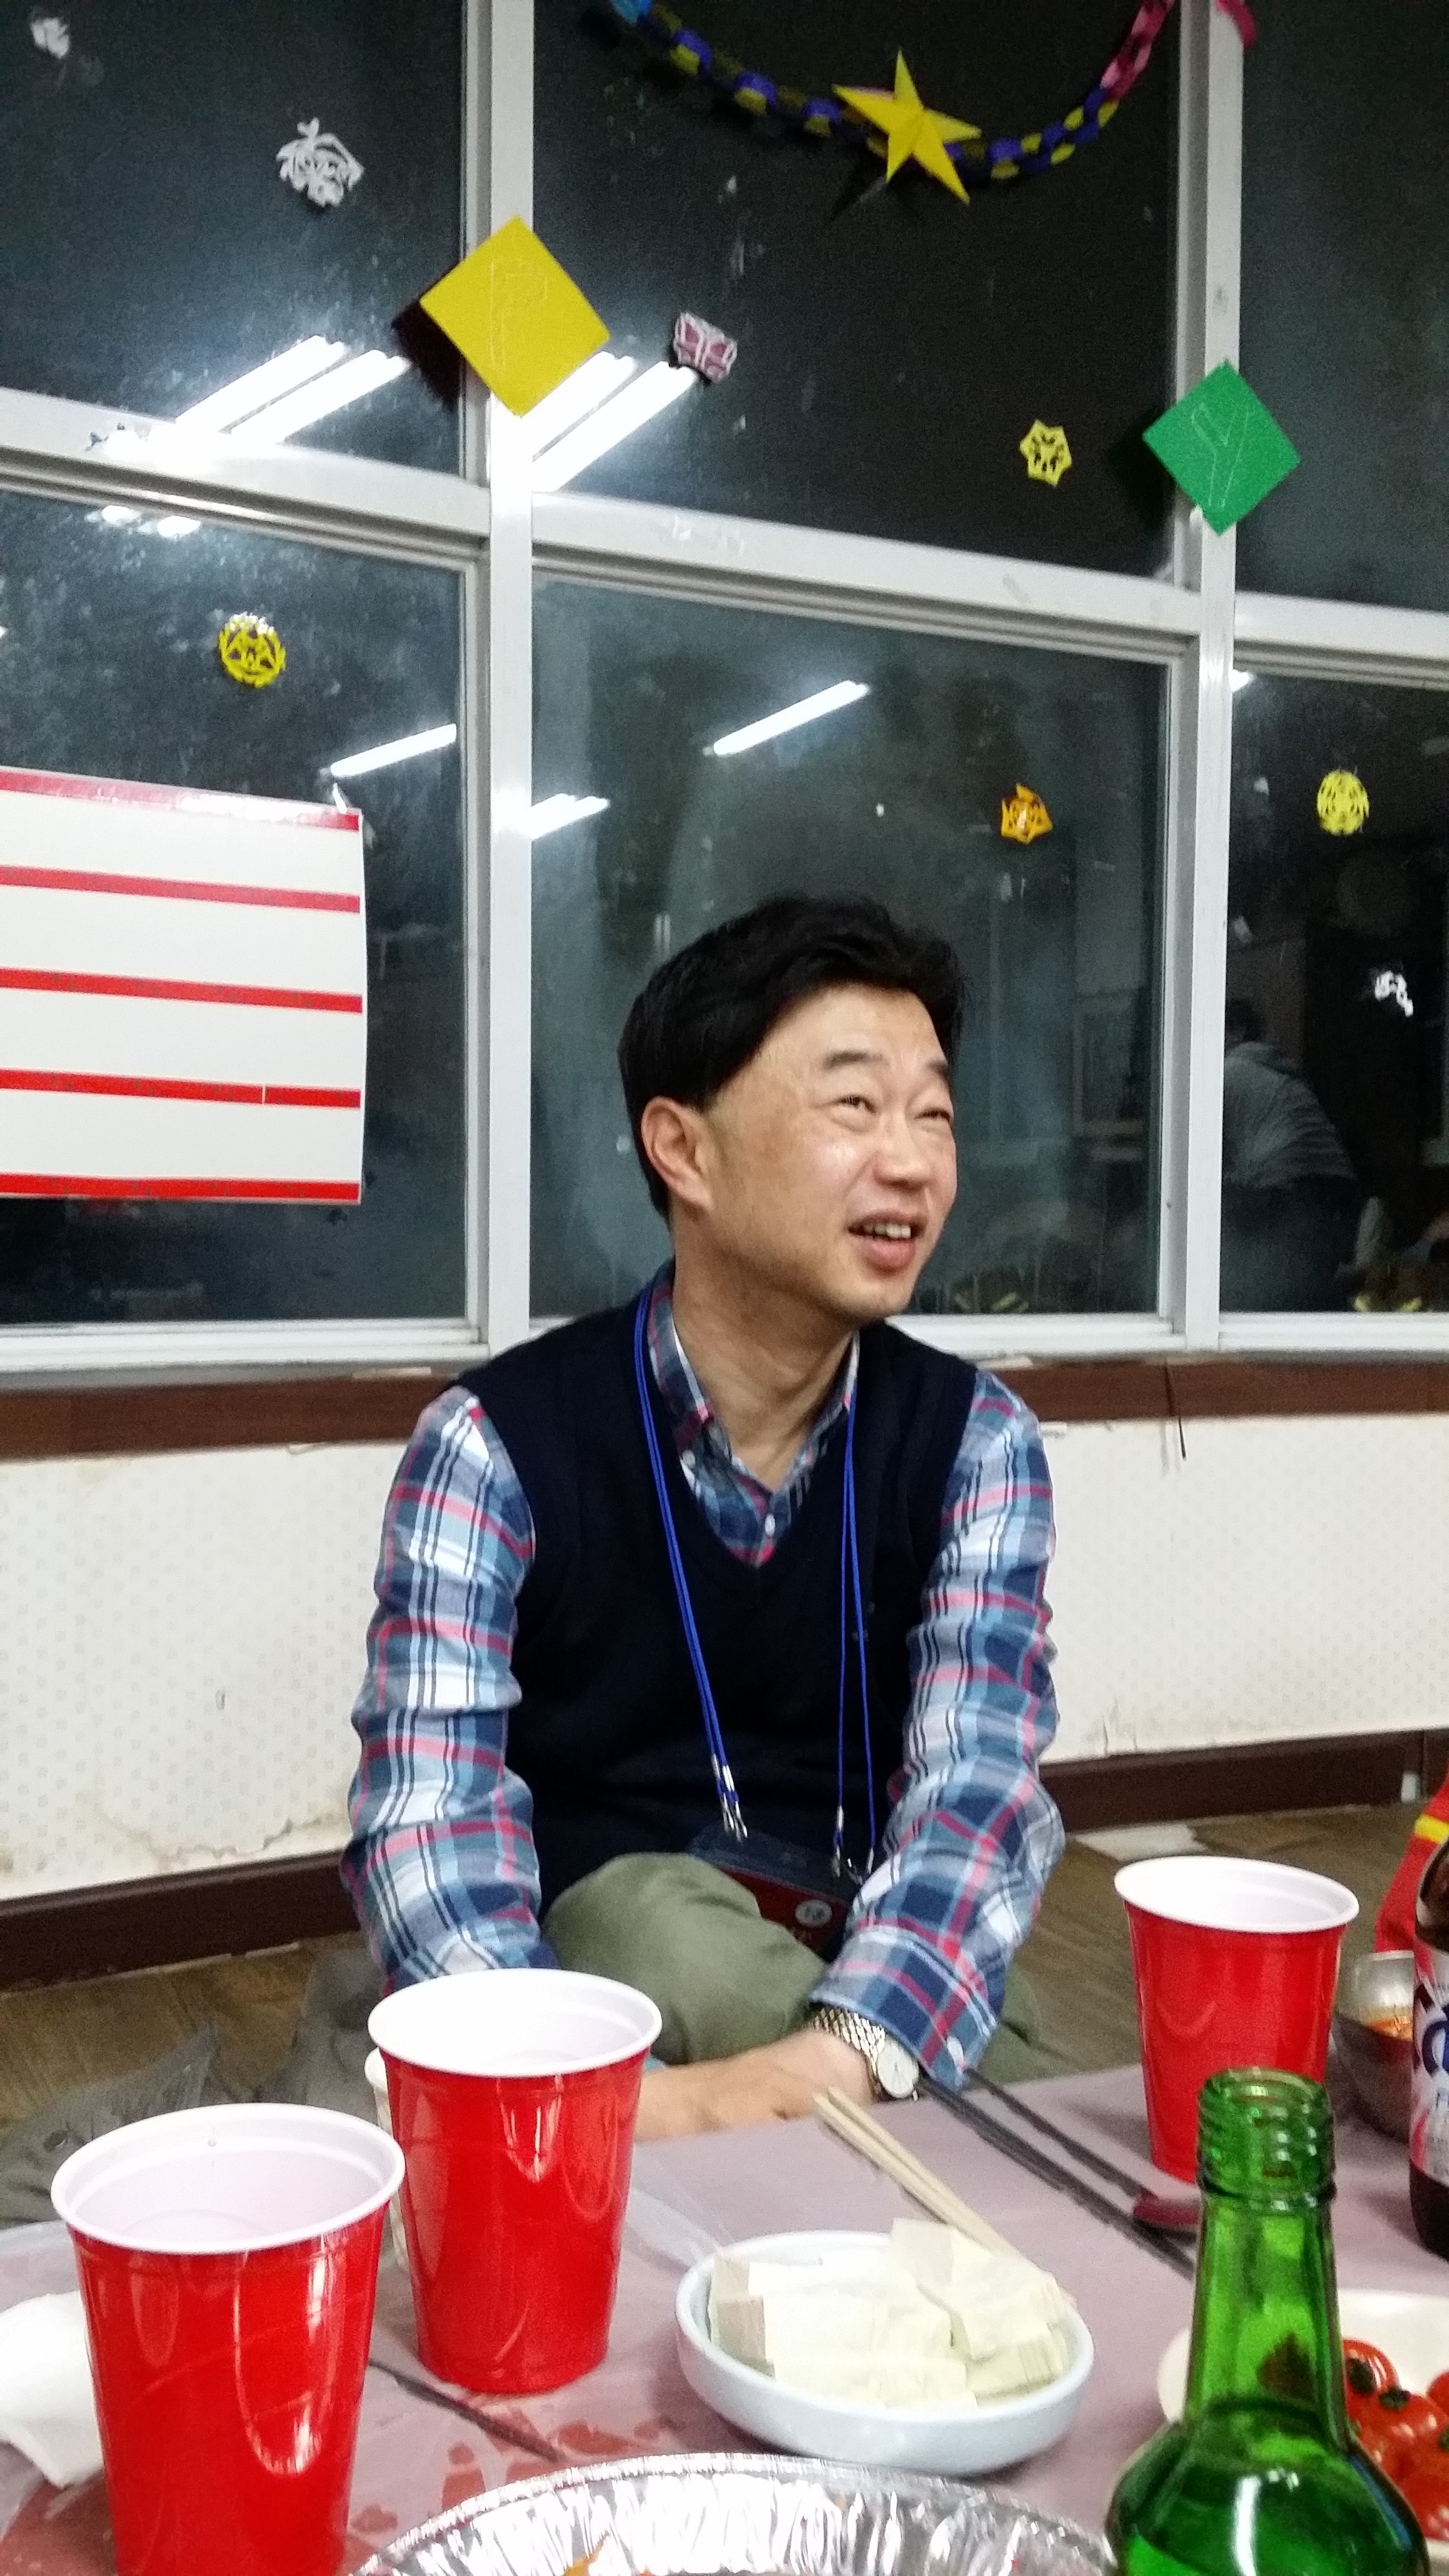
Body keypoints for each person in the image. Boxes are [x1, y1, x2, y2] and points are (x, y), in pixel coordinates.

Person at [343, 896, 1064, 2137]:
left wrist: (819, 2064)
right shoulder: (494, 1445)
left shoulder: (976, 1443)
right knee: (660, 1931)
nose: (911, 1162)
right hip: (599, 1990)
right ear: (683, 1149)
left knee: (1021, 2034)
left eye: (934, 1114)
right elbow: (428, 1825)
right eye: (855, 1105)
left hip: (847, 1955)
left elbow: (976, 1795)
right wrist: (539, 2079)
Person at [1220, 998, 1360, 1311]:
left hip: (1291, 1192)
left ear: (1237, 1031)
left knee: (1273, 1296)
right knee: (1308, 1291)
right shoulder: (1278, 1074)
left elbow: (1201, 1154)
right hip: (1337, 1191)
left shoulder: (1230, 1073)